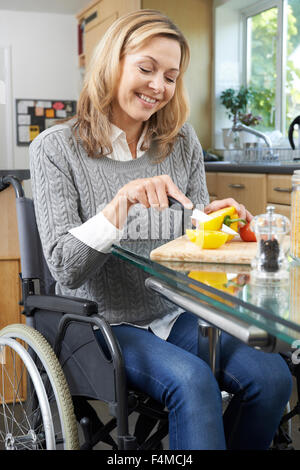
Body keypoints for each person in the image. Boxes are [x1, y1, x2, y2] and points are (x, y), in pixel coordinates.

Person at [29, 9, 292, 450]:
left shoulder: (180, 141)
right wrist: (120, 204)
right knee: (192, 383)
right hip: (101, 324)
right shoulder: (55, 148)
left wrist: (220, 224)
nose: (159, 87)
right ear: (112, 64)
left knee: (272, 377)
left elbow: (192, 232)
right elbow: (66, 270)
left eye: (170, 76)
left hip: (178, 311)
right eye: (146, 69)